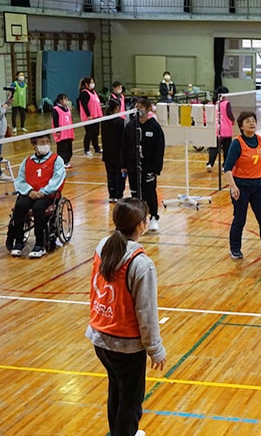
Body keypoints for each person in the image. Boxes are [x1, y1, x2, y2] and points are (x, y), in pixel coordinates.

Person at [85, 197, 167, 436]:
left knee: (117, 391)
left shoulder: (103, 246)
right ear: (141, 225)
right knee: (130, 403)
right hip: (126, 345)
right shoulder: (142, 264)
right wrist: (155, 348)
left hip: (100, 337)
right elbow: (146, 313)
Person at [223, 111, 261, 260]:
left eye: (253, 120)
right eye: (248, 121)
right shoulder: (237, 143)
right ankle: (235, 248)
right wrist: (233, 186)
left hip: (258, 187)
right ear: (241, 126)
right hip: (241, 188)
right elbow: (227, 168)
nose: (252, 123)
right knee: (240, 219)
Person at [7, 133, 66, 258]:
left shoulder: (56, 160)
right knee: (20, 206)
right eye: (41, 143)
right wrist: (29, 191)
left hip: (48, 195)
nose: (45, 145)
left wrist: (43, 192)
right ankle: (18, 241)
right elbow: (20, 179)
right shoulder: (27, 161)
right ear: (34, 146)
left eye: (47, 142)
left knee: (38, 209)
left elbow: (58, 178)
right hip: (30, 193)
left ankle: (39, 244)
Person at [121, 98, 165, 233]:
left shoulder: (154, 127)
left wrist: (156, 169)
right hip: (133, 166)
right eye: (136, 107)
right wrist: (124, 165)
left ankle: (153, 218)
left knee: (149, 192)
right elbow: (124, 145)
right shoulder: (131, 126)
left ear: (148, 109)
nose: (138, 110)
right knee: (135, 193)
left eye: (140, 108)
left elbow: (159, 149)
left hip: (149, 167)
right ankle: (137, 219)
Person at [102, 99, 126, 203]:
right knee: (119, 175)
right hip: (119, 154)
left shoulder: (104, 121)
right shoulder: (121, 122)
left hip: (108, 154)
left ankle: (112, 195)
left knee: (110, 175)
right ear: (117, 108)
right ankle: (118, 195)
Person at [206, 87, 235, 172]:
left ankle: (210, 163)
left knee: (214, 148)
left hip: (215, 130)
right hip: (226, 130)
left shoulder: (213, 103)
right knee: (227, 149)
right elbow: (229, 114)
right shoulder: (226, 103)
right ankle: (224, 165)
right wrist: (233, 120)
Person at [78, 76, 103, 156]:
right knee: (89, 133)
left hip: (96, 116)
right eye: (91, 82)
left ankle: (97, 148)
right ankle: (86, 149)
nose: (93, 84)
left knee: (95, 133)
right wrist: (88, 115)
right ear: (86, 84)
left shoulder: (94, 92)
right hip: (89, 118)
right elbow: (84, 105)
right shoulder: (84, 93)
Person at [51, 94, 74, 169]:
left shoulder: (67, 108)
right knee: (62, 148)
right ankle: (62, 162)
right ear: (60, 101)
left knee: (69, 149)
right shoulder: (56, 109)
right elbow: (55, 121)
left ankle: (67, 161)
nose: (67, 101)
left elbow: (70, 119)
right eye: (65, 99)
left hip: (68, 132)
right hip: (61, 133)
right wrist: (57, 130)